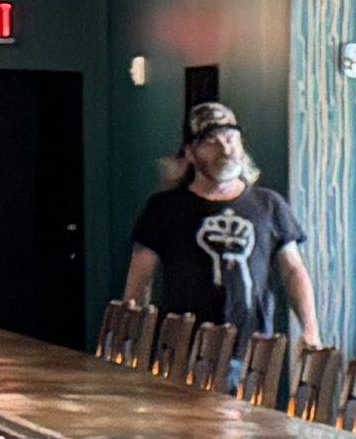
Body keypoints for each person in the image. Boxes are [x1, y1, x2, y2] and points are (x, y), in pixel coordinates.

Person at [122, 102, 315, 348]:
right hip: (183, 353)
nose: (225, 149)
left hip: (254, 352)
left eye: (231, 139)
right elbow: (140, 280)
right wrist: (132, 338)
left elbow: (293, 270)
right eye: (212, 141)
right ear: (190, 153)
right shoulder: (163, 209)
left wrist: (310, 330)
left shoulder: (269, 205)